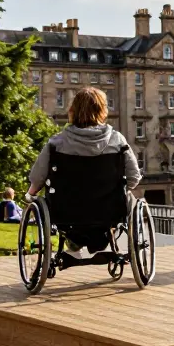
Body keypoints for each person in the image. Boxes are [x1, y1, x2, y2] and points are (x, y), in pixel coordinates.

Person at [27, 87, 142, 257]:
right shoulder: (117, 140)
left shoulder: (56, 143)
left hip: (66, 211)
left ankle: (74, 244)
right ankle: (102, 238)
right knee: (127, 198)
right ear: (102, 110)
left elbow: (38, 177)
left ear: (72, 110)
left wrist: (31, 194)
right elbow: (133, 178)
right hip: (108, 210)